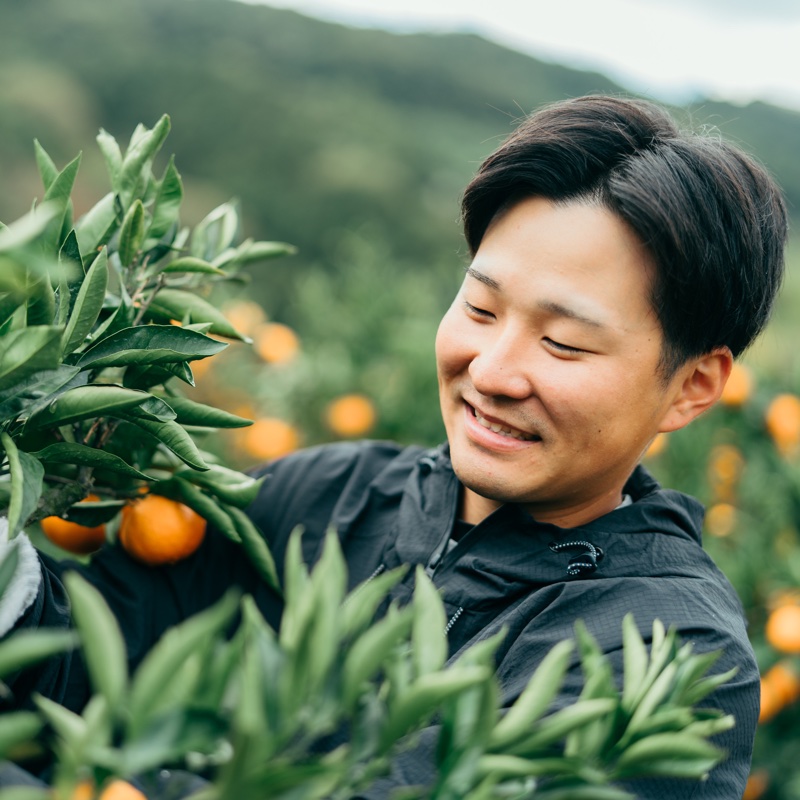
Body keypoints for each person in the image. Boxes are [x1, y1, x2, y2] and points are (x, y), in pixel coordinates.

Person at [0, 95, 789, 798]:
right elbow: (81, 656)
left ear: (692, 387)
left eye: (563, 343)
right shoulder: (329, 493)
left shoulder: (666, 661)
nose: (492, 371)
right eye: (480, 309)